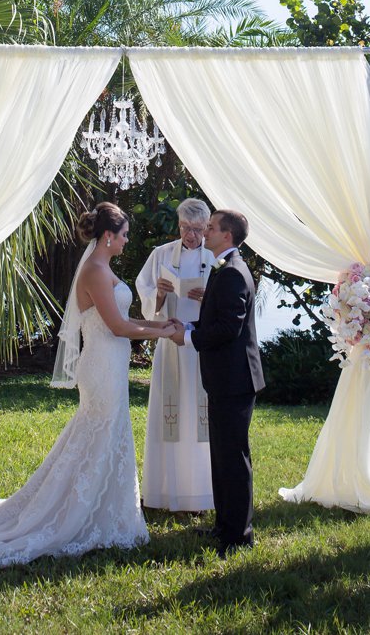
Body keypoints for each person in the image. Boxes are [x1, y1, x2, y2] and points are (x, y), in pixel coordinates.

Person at [0, 202, 179, 568]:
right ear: (108, 236)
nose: (127, 241)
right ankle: (78, 515)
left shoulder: (103, 267)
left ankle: (105, 513)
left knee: (103, 437)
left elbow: (124, 320)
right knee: (99, 435)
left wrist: (162, 326)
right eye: (124, 235)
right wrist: (166, 333)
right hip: (101, 366)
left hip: (111, 365)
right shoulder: (94, 271)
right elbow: (117, 326)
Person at [171, 209, 264, 556]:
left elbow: (229, 328)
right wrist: (191, 328)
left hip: (235, 379)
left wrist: (189, 339)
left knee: (233, 457)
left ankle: (240, 535)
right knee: (222, 455)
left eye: (210, 227)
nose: (204, 231)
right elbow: (218, 320)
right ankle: (225, 525)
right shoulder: (224, 268)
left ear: (226, 236)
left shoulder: (233, 274)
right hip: (225, 378)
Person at [135, 198, 214, 512]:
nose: (190, 235)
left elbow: (229, 306)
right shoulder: (162, 254)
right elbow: (143, 291)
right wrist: (160, 294)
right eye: (185, 227)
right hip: (169, 344)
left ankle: (201, 491)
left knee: (200, 419)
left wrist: (208, 298)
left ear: (206, 228)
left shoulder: (215, 259)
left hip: (201, 346)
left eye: (196, 229)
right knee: (171, 418)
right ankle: (165, 491)